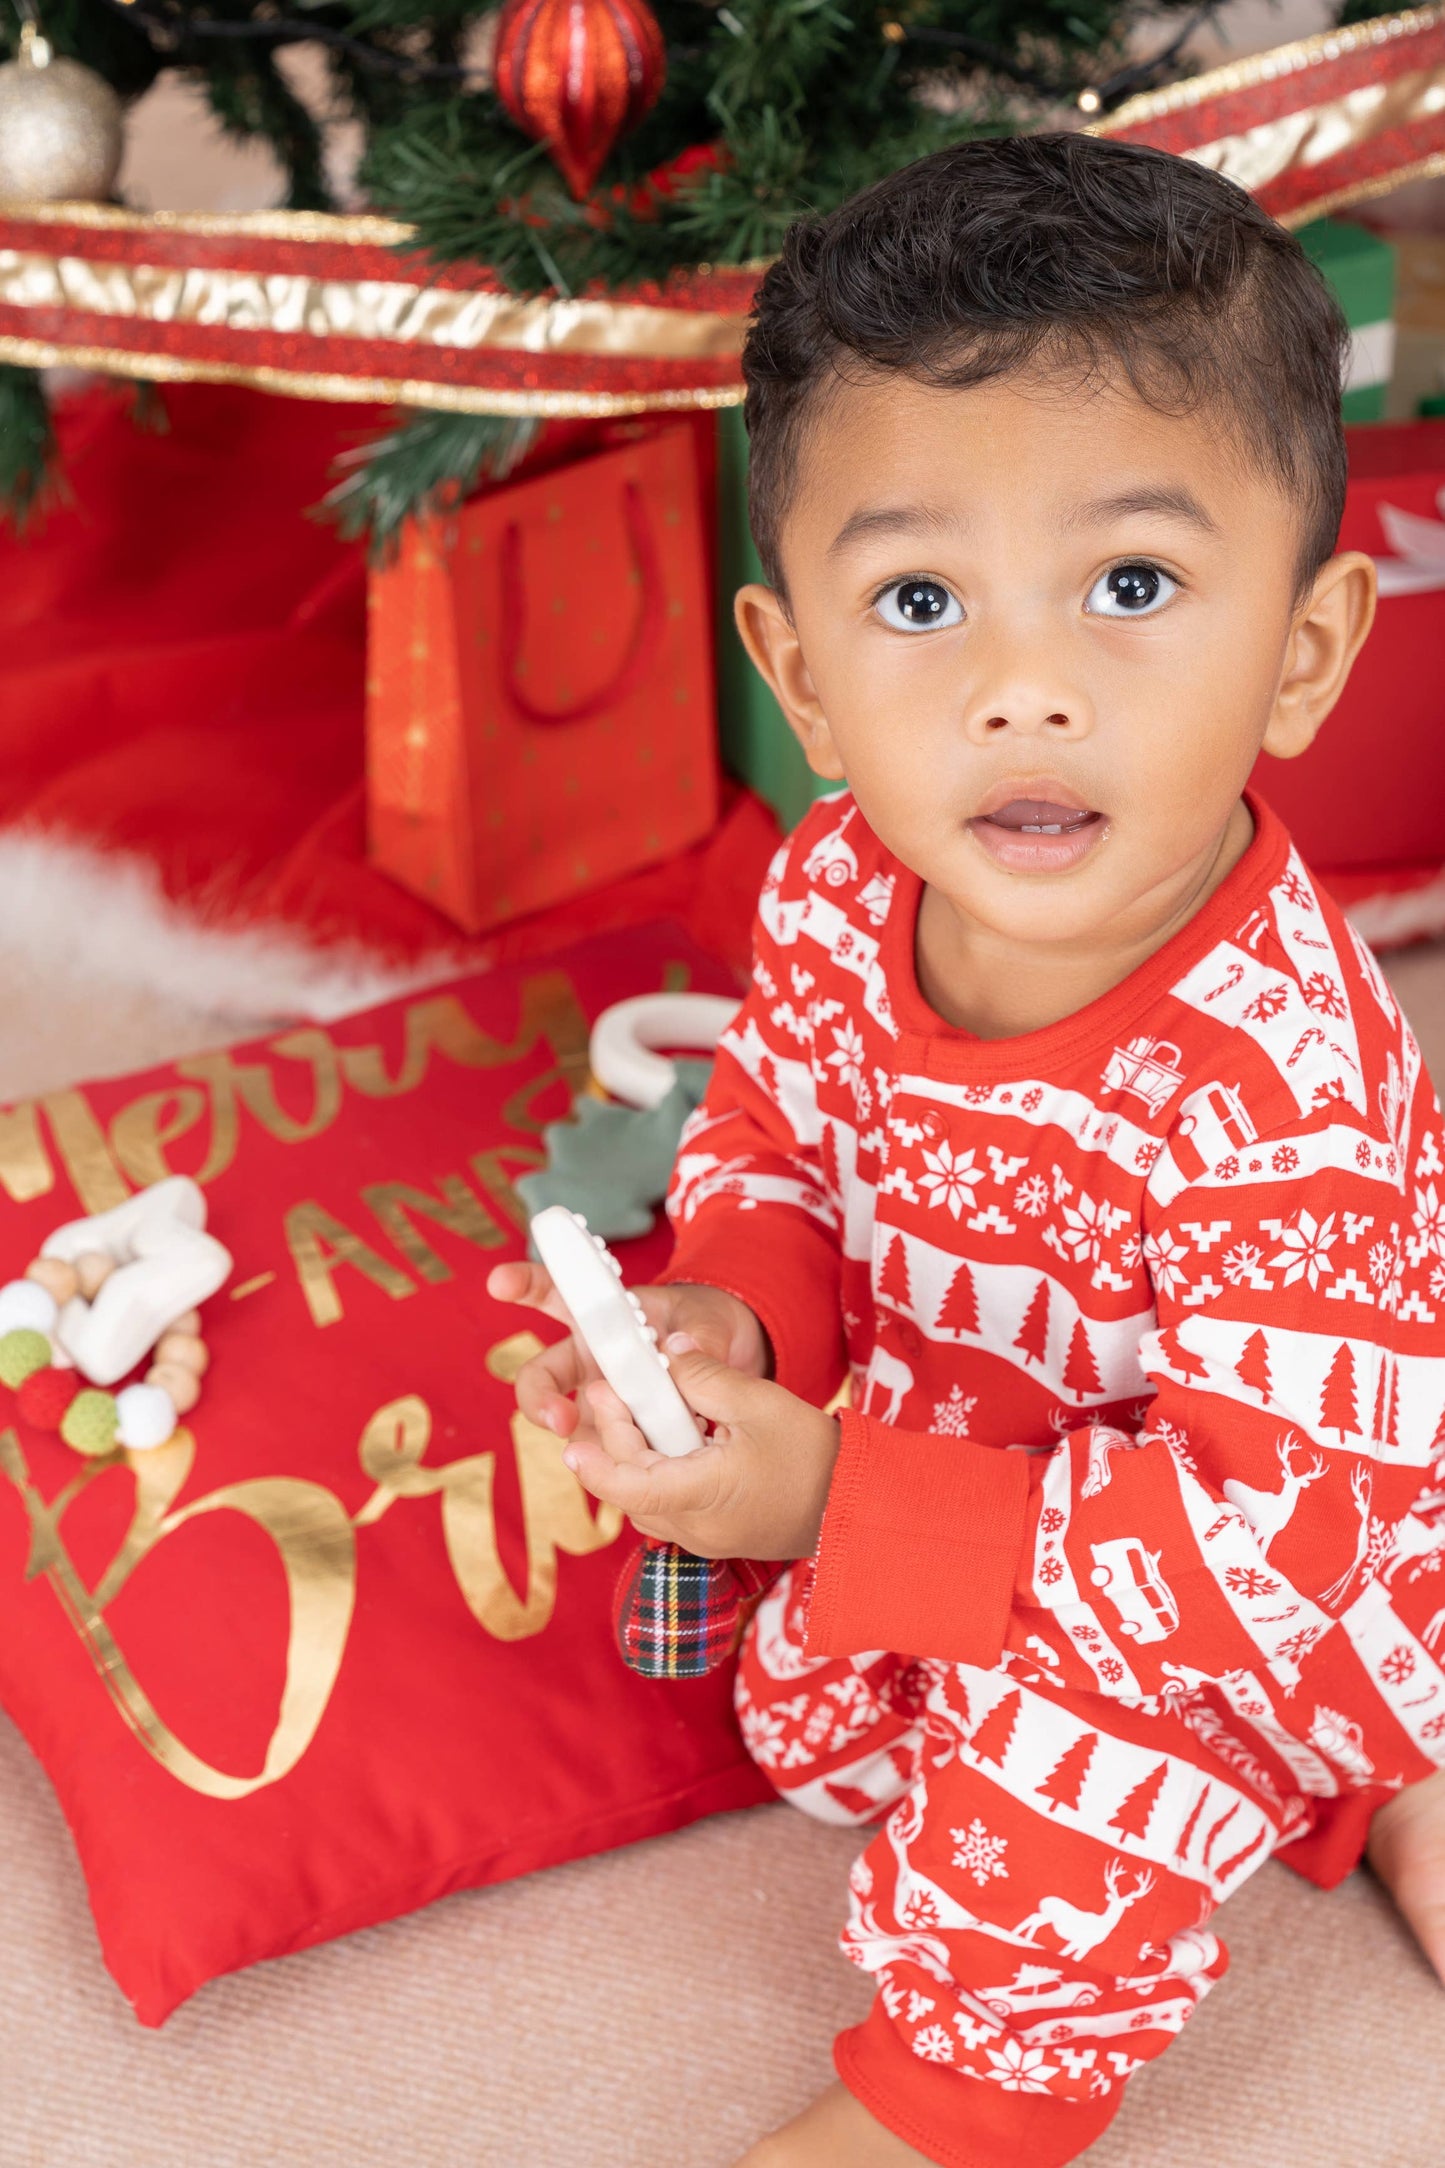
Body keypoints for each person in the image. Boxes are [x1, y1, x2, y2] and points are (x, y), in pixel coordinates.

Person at [488, 133, 1445, 2168]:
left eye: (1132, 585)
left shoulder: (1281, 1091)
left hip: (1278, 1536)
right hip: (978, 1464)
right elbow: (770, 1138)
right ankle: (1358, 1770)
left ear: (1304, 644)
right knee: (814, 1720)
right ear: (803, 676)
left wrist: (840, 1490)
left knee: (1062, 1791)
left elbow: (1268, 1547)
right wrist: (727, 1328)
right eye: (921, 601)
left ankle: (964, 2097)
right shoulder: (842, 887)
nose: (1025, 692)